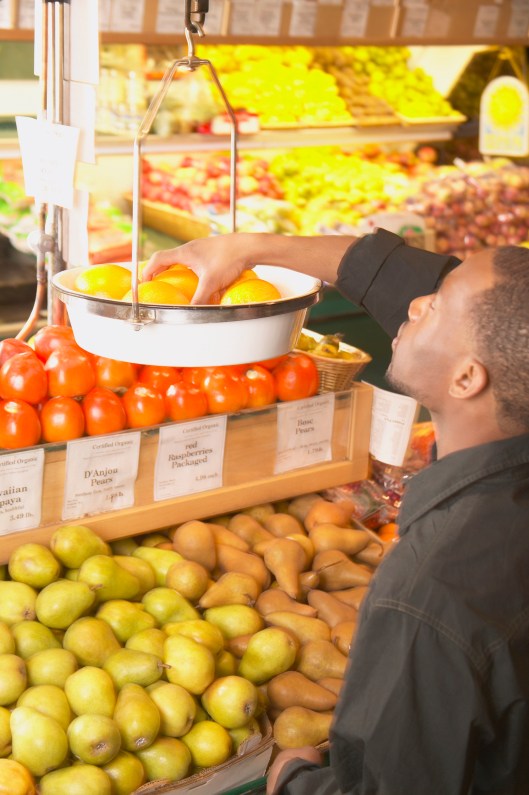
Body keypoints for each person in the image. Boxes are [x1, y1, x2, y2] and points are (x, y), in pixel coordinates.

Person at [143, 229, 529, 794]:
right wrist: (248, 248)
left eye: (436, 304)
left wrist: (293, 778)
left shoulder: (427, 593)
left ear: (468, 378)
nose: (415, 301)